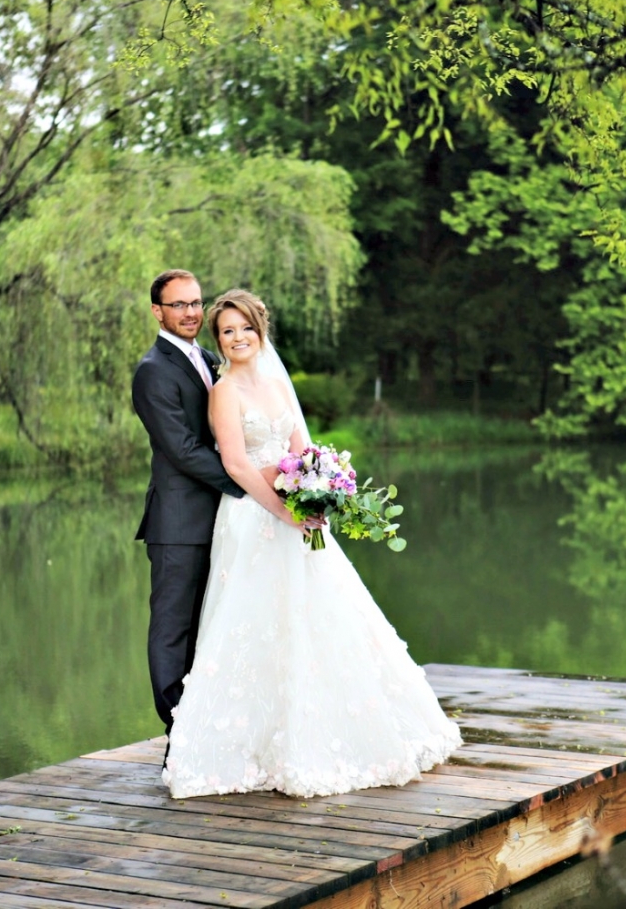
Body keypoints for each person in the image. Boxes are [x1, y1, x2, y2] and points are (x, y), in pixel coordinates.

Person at [163, 288, 462, 799]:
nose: (237, 339)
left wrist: (319, 492)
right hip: (252, 517)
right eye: (227, 332)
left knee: (320, 616)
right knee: (255, 620)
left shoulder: (278, 385)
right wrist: (281, 508)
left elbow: (303, 450)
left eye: (245, 329)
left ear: (261, 330)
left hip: (298, 518)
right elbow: (234, 464)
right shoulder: (225, 391)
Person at [132, 270, 245, 751]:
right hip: (178, 524)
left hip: (220, 520)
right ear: (158, 311)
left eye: (196, 303)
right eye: (178, 305)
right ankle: (178, 732)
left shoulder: (207, 357)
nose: (191, 313)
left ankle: (208, 723)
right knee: (174, 630)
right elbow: (180, 448)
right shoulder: (153, 369)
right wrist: (246, 483)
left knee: (211, 626)